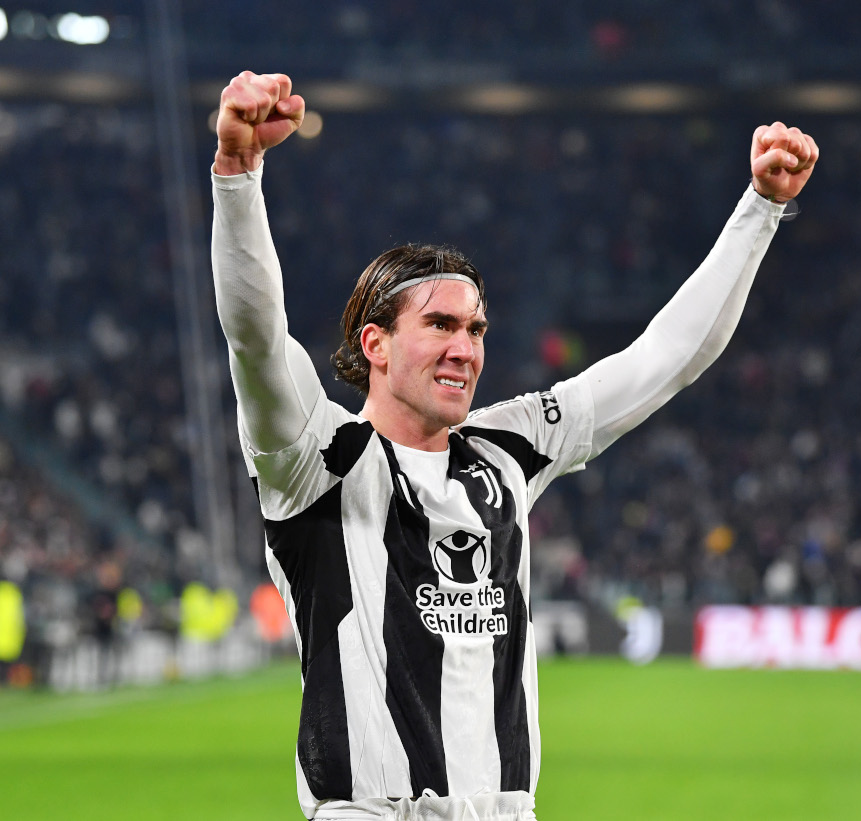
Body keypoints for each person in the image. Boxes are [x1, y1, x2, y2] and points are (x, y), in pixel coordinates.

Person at [210, 71, 817, 821]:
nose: (465, 347)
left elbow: (665, 359)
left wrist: (761, 208)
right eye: (439, 325)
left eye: (476, 329)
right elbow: (255, 332)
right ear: (375, 343)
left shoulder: (508, 446)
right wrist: (239, 175)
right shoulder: (315, 458)